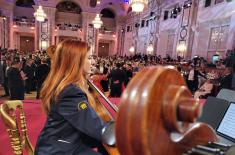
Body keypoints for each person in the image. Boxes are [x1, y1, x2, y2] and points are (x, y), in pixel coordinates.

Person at [35, 40, 107, 155]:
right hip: (58, 150)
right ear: (75, 62)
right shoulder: (70, 91)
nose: (93, 62)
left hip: (67, 141)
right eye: (89, 58)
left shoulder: (67, 86)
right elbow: (95, 127)